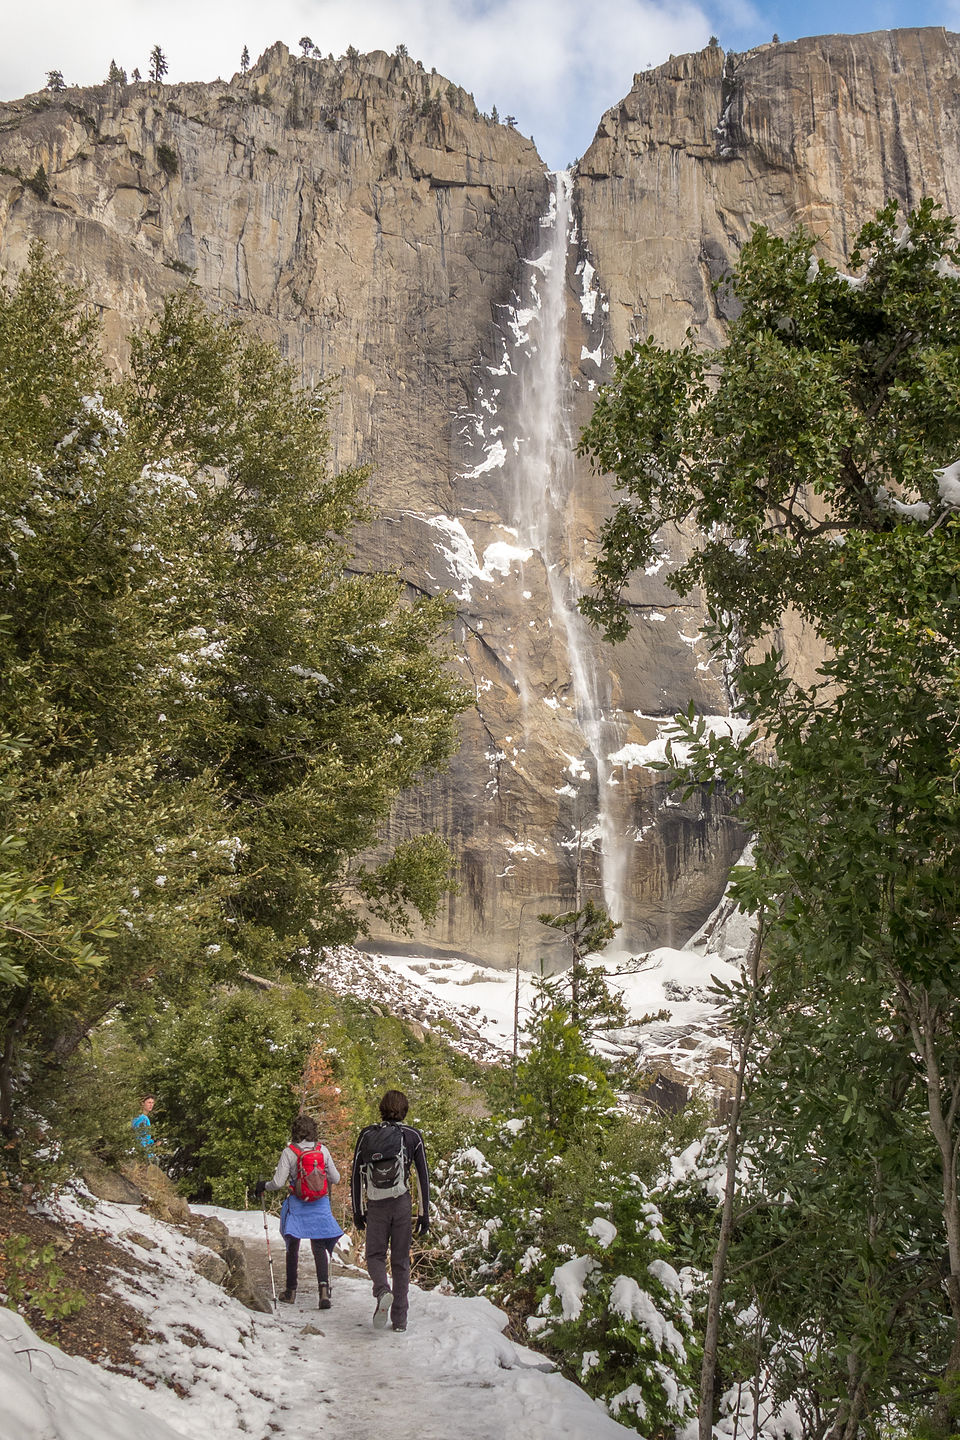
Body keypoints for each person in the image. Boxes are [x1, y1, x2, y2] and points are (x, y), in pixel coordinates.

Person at [351, 1089, 429, 1333]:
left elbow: (355, 1175)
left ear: (381, 1108)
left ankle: (382, 1290)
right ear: (404, 1110)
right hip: (401, 1204)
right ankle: (400, 1321)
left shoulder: (367, 1135)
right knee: (401, 1262)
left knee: (374, 1255)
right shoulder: (412, 1136)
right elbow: (423, 1177)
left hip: (376, 1204)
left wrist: (357, 1210)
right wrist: (425, 1214)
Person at [255, 1114, 343, 1308]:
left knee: (292, 1246)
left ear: (295, 1131)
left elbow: (278, 1183)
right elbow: (335, 1178)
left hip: (298, 1203)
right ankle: (323, 1292)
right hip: (320, 1204)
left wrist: (263, 1186)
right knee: (319, 1247)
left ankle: (290, 1291)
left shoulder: (290, 1152)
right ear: (314, 1131)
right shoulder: (323, 1150)